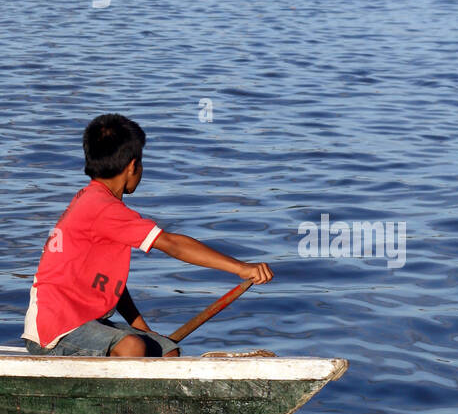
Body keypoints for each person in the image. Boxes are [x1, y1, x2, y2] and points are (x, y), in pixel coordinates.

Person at [23, 114, 272, 358]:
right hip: (54, 331)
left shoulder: (92, 200)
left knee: (166, 350)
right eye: (141, 162)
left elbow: (107, 282)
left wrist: (141, 327)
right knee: (132, 348)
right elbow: (172, 244)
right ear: (132, 166)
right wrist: (240, 267)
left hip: (84, 323)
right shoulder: (103, 208)